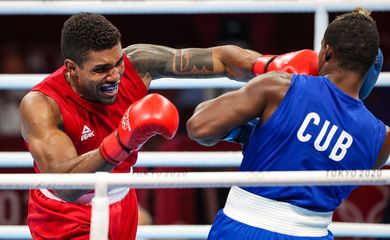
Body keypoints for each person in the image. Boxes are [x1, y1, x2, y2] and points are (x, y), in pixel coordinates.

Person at [19, 12, 270, 240]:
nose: (116, 75)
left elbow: (221, 59)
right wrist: (122, 141)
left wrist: (271, 66)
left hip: (122, 202)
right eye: (101, 69)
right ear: (72, 68)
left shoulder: (137, 63)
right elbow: (68, 188)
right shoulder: (42, 105)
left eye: (117, 62)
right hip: (65, 216)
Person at [187, 7, 390, 240]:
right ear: (370, 67)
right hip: (311, 234)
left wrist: (246, 133)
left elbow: (198, 127)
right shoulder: (382, 139)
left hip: (242, 227)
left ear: (327, 53)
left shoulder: (280, 87)